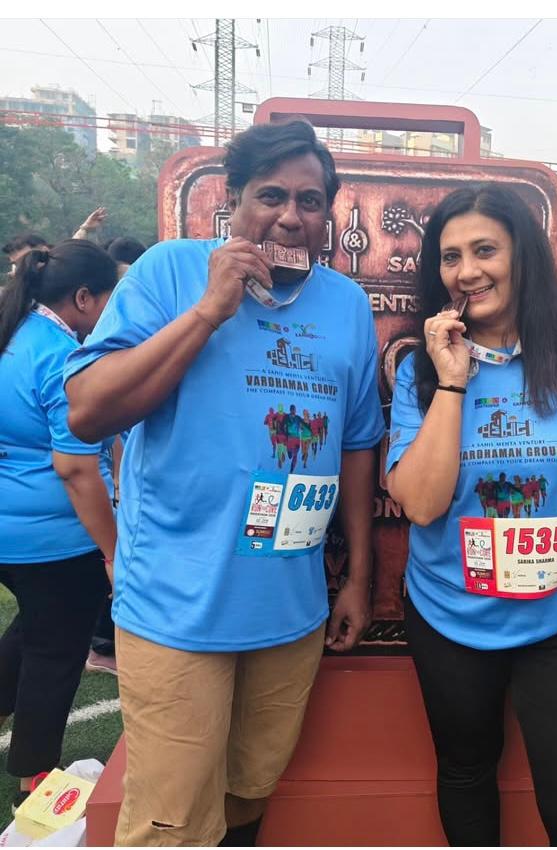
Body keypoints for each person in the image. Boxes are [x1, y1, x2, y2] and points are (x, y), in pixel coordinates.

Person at [63, 120, 385, 846]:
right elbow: (88, 412)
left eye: (310, 201)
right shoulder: (169, 273)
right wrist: (210, 310)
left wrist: (358, 579)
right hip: (176, 609)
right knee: (169, 821)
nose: (290, 217)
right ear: (232, 201)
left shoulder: (345, 305)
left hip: (289, 610)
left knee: (250, 791)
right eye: (271, 196)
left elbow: (357, 445)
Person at [386, 185, 557, 846]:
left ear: (524, 256)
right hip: (451, 616)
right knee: (467, 769)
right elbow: (421, 504)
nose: (466, 271)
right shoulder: (422, 370)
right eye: (450, 256)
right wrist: (452, 381)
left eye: (485, 250)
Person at [0, 240, 117, 810]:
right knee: (55, 654)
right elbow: (75, 468)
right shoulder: (60, 356)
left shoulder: (14, 333)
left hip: (12, 530)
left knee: (34, 629)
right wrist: (113, 550)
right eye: (110, 300)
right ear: (84, 298)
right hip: (53, 538)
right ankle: (33, 779)